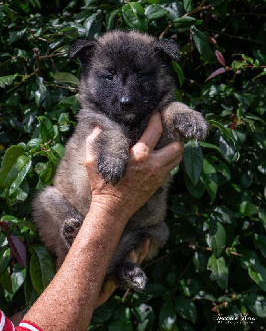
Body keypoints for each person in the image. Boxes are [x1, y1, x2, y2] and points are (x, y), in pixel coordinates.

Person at [3, 112, 184, 331]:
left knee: (156, 233)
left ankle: (110, 260)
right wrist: (112, 206)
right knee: (48, 203)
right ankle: (109, 260)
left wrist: (70, 295)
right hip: (88, 215)